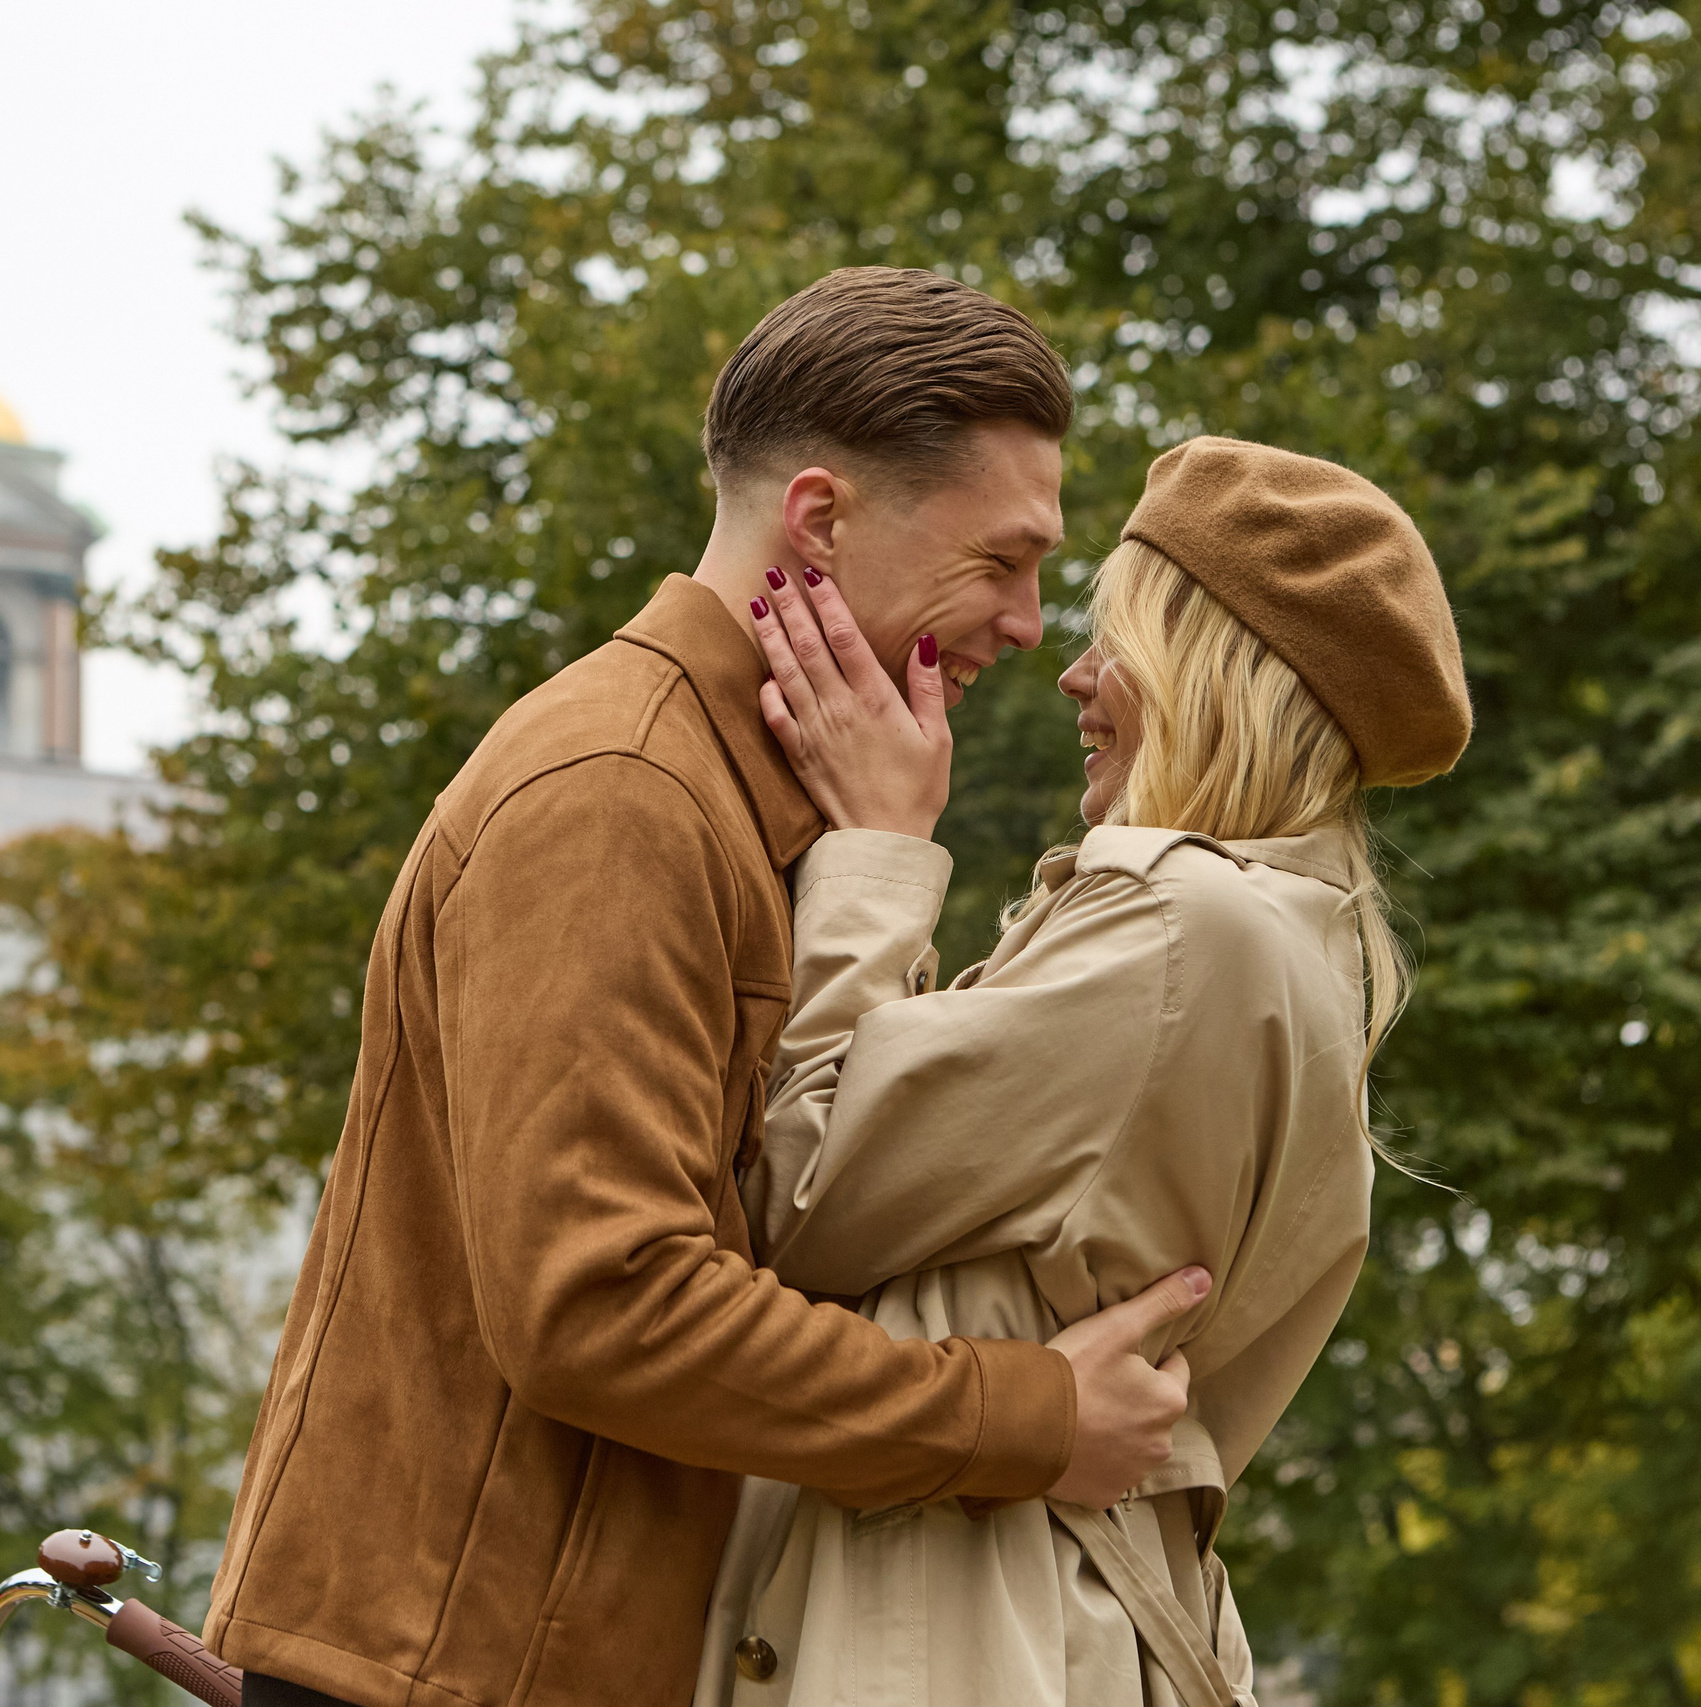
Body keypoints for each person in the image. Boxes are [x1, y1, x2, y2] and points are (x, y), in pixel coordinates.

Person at [205, 269, 1214, 1707]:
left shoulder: (744, 794)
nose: (1029, 622)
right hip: (466, 1672)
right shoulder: (619, 793)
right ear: (821, 517)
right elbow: (604, 1301)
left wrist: (881, 854)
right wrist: (1027, 1412)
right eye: (1002, 560)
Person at [693, 437, 1473, 1706]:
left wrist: (877, 853)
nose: (1074, 676)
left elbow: (794, 1197)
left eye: (1119, 641)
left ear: (1210, 676)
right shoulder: (1304, 947)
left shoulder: (1174, 926)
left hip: (957, 1629)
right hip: (1070, 1621)